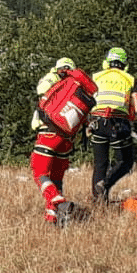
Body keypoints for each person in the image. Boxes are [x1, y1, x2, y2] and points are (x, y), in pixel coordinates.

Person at [30, 58, 89, 226]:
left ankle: (58, 202)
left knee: (39, 170)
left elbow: (40, 90)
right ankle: (53, 217)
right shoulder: (79, 86)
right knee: (56, 177)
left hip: (49, 132)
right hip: (67, 139)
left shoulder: (52, 77)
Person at [88, 47, 137, 203]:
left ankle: (98, 202)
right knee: (125, 161)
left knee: (100, 163)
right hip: (118, 123)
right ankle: (105, 184)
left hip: (97, 122)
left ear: (106, 63)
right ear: (125, 64)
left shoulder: (96, 77)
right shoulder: (130, 79)